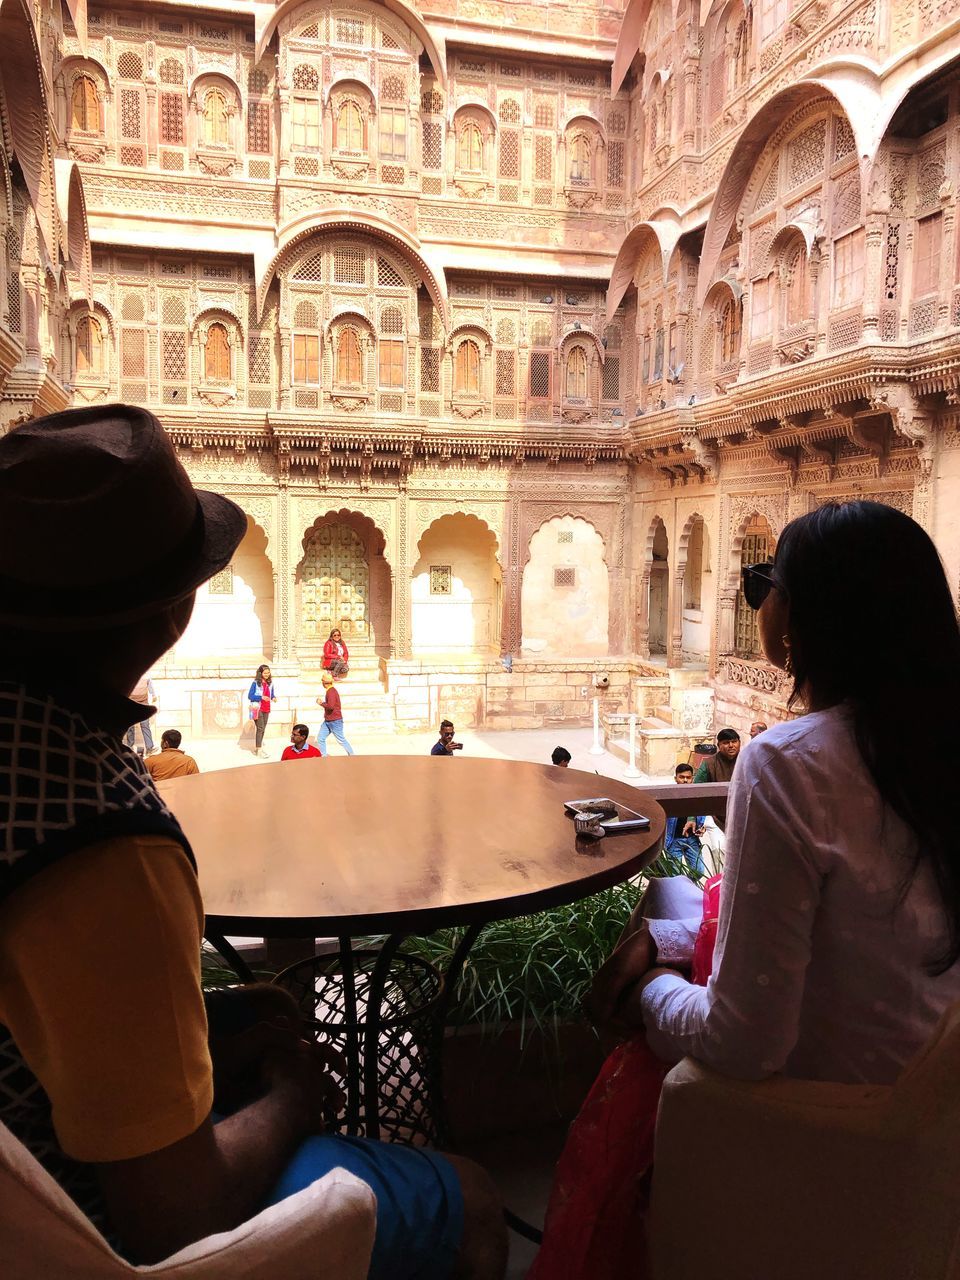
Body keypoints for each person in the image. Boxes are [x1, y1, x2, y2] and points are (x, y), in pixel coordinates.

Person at [0, 405, 506, 1279]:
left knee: (266, 1016)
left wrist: (226, 1027)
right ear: (170, 612)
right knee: (473, 1198)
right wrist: (293, 1099)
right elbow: (173, 1210)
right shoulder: (99, 838)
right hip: (84, 1223)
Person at [533, 501, 960, 1279]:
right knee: (673, 913)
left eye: (768, 584)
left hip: (820, 1133)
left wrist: (654, 990)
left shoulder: (792, 763)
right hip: (933, 1137)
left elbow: (744, 1041)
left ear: (801, 618)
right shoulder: (928, 748)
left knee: (640, 1018)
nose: (759, 602)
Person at [662, 763, 706, 876]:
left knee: (699, 872)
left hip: (692, 840)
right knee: (675, 875)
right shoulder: (669, 796)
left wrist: (701, 827)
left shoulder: (697, 796)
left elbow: (702, 816)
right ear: (675, 778)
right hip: (674, 841)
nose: (685, 780)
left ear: (693, 778)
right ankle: (682, 888)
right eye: (682, 777)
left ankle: (686, 887)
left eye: (688, 777)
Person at [315, 672, 355, 757]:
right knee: (320, 738)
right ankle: (324, 756)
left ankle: (352, 755)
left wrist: (321, 703)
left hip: (335, 721)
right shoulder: (331, 691)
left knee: (341, 740)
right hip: (328, 720)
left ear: (324, 682)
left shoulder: (331, 692)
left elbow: (331, 706)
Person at [125, 673, 157, 755]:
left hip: (143, 704)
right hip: (130, 704)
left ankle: (149, 748)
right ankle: (130, 747)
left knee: (145, 726)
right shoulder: (129, 676)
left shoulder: (146, 676)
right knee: (130, 727)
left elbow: (150, 686)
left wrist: (153, 695)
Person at [247, 664, 273, 757]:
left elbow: (271, 694)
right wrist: (261, 697)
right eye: (265, 673)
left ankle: (258, 748)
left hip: (267, 708)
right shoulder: (255, 683)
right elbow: (250, 696)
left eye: (268, 672)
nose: (267, 674)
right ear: (260, 673)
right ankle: (259, 750)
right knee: (260, 728)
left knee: (263, 729)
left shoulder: (270, 683)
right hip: (257, 708)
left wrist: (273, 697)